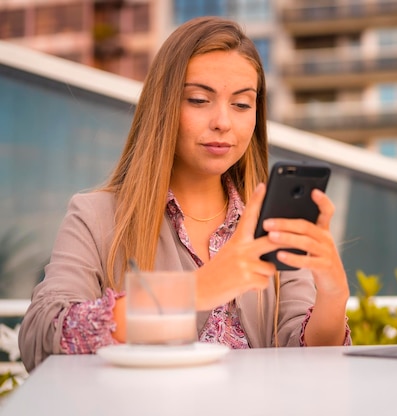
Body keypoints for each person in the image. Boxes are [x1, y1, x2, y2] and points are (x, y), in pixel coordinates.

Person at [18, 16, 352, 372]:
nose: (223, 121)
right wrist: (194, 290)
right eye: (198, 99)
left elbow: (308, 357)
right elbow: (41, 336)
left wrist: (334, 295)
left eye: (241, 104)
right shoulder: (95, 216)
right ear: (162, 107)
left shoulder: (268, 223)